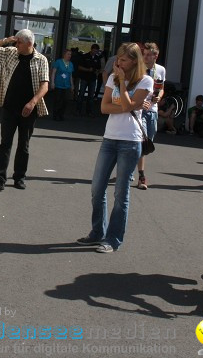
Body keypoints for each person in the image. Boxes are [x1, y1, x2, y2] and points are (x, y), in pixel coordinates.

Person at [76, 42, 153, 253]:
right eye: (118, 59)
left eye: (124, 59)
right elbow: (104, 107)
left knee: (121, 193)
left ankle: (113, 239)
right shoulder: (112, 76)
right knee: (97, 188)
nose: (119, 63)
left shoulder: (145, 81)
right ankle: (97, 233)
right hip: (110, 138)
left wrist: (122, 86)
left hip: (131, 141)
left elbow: (126, 106)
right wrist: (128, 101)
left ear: (135, 61)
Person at [0, 29, 49, 191]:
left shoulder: (41, 60)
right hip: (10, 106)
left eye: (19, 42)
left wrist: (32, 102)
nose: (16, 44)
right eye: (16, 41)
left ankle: (19, 177)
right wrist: (6, 40)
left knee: (23, 144)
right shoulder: (10, 53)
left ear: (29, 43)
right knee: (5, 142)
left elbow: (44, 85)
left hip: (29, 108)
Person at [136, 42, 165, 190]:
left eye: (148, 55)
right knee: (142, 141)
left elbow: (161, 89)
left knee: (148, 144)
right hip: (139, 110)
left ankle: (129, 164)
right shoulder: (138, 69)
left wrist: (159, 96)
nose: (145, 57)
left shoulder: (160, 70)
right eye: (144, 54)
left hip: (153, 110)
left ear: (156, 56)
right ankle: (141, 176)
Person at [49, 48, 75, 121]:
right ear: (64, 55)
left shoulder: (71, 64)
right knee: (58, 100)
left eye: (70, 54)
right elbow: (54, 72)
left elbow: (70, 75)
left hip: (66, 85)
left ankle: (61, 115)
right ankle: (55, 115)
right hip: (58, 84)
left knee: (65, 101)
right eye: (68, 54)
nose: (69, 56)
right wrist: (52, 82)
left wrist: (72, 85)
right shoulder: (58, 62)